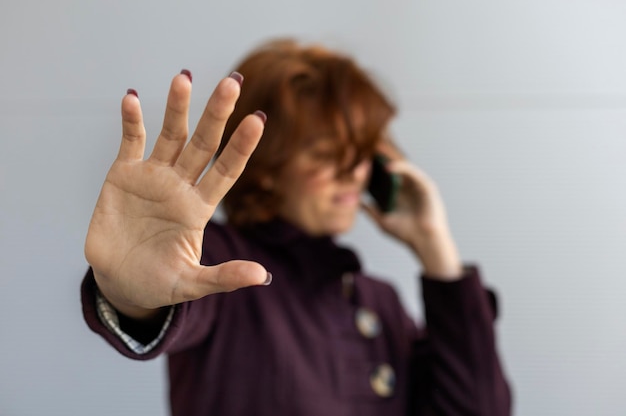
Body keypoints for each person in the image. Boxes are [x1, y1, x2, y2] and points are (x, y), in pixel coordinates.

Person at [81, 38, 511, 416]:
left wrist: (435, 248)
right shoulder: (223, 265)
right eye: (328, 154)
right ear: (268, 165)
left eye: (361, 153)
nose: (354, 174)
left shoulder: (379, 303)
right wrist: (130, 297)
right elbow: (172, 289)